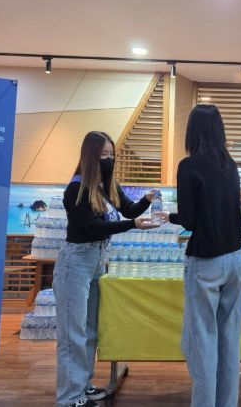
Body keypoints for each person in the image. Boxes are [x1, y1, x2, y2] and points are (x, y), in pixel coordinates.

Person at [53, 131, 158, 407]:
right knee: (72, 333)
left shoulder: (107, 184)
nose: (109, 160)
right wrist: (132, 226)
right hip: (75, 262)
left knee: (89, 330)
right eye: (103, 155)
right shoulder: (76, 189)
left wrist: (146, 200)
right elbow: (93, 227)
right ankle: (69, 398)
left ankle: (82, 385)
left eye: (111, 154)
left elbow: (129, 210)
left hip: (97, 260)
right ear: (90, 156)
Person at [159, 104, 241, 407]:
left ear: (192, 131)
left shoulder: (189, 166)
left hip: (206, 261)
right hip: (235, 259)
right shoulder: (231, 165)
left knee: (202, 341)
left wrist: (169, 217)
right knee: (229, 340)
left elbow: (190, 220)